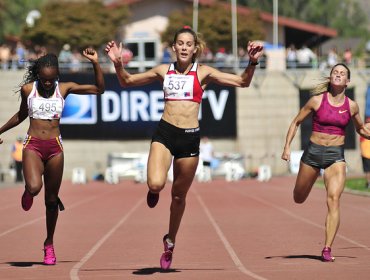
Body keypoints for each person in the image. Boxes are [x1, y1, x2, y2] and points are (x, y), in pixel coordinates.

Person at [105, 26, 263, 270]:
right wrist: (117, 63)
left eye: (189, 44)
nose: (185, 47)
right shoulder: (163, 70)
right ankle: (153, 189)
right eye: (180, 43)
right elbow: (126, 81)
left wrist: (251, 62)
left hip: (189, 138)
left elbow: (242, 81)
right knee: (156, 184)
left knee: (178, 197)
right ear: (173, 48)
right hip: (165, 133)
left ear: (195, 48)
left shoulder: (204, 72)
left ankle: (170, 241)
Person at [0, 48, 105, 265]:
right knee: (35, 188)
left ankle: (49, 243)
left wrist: (95, 63)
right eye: (44, 80)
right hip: (33, 145)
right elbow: (21, 114)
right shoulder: (28, 90)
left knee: (50, 201)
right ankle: (28, 192)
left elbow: (99, 89)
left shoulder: (64, 89)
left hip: (55, 148)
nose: (48, 84)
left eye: (51, 80)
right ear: (38, 76)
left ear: (57, 77)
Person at [281, 63, 370, 262]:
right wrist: (287, 147)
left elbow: (361, 130)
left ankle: (327, 248)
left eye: (342, 73)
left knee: (334, 199)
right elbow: (296, 121)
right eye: (335, 72)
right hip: (313, 152)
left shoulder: (351, 106)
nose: (338, 75)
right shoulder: (316, 101)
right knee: (298, 197)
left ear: (347, 81)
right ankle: (307, 184)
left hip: (335, 156)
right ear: (330, 78)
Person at [360, 117, 370, 188]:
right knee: (367, 171)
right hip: (366, 155)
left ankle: (368, 183)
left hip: (366, 155)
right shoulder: (363, 135)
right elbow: (361, 144)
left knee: (367, 171)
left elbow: (361, 144)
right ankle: (368, 183)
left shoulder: (363, 134)